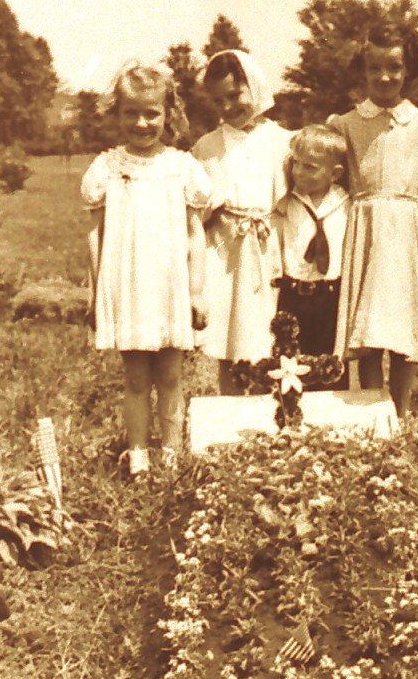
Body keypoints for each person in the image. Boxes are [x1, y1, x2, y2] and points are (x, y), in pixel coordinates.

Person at [81, 62, 213, 479]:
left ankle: (171, 453)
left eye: (151, 113)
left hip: (169, 285)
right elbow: (95, 235)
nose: (142, 122)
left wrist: (195, 291)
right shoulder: (107, 167)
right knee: (136, 378)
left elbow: (196, 235)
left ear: (168, 113)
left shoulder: (182, 166)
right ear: (117, 114)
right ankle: (138, 454)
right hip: (129, 285)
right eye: (131, 113)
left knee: (171, 375)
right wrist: (94, 292)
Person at [328, 22, 418, 418]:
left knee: (401, 330)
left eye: (394, 67)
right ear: (362, 71)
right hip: (363, 231)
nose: (384, 77)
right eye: (375, 68)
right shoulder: (346, 125)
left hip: (407, 235)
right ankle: (373, 415)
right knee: (369, 331)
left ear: (408, 70)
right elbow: (333, 185)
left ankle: (399, 415)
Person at [192, 50, 291, 394]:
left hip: (270, 246)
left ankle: (273, 407)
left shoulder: (282, 141)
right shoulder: (206, 147)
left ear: (255, 86)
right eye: (219, 100)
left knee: (270, 336)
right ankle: (230, 406)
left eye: (235, 95)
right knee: (230, 335)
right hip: (227, 254)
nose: (228, 106)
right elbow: (197, 205)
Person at [271, 124, 350, 389]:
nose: (298, 172)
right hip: (293, 296)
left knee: (330, 365)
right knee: (289, 366)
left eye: (310, 167)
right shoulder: (286, 201)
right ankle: (291, 418)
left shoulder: (347, 203)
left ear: (335, 173)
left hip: (331, 296)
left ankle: (329, 422)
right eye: (296, 164)